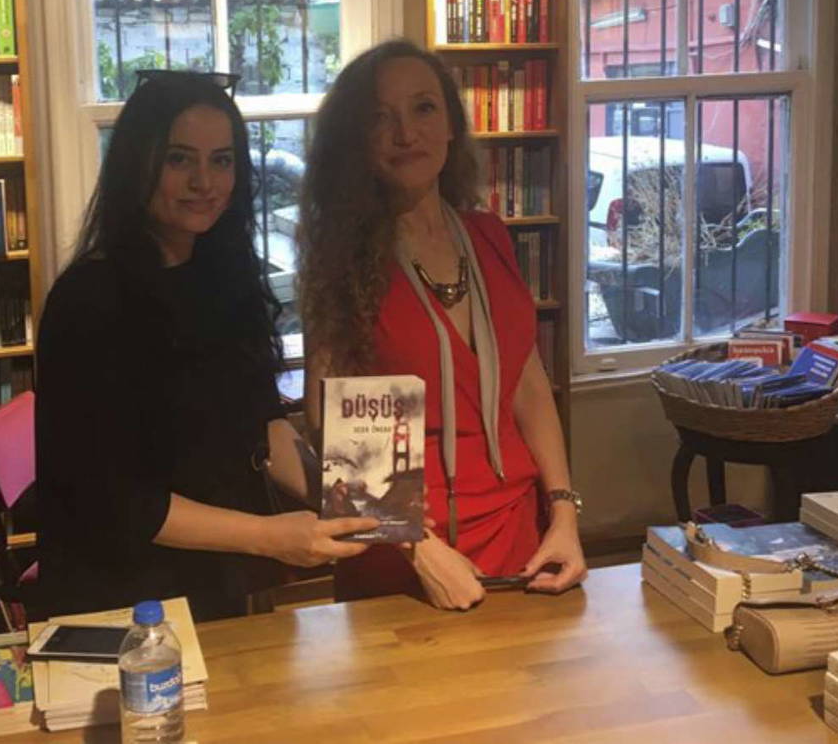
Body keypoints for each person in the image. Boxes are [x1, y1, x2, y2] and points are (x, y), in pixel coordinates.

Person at [34, 72, 378, 622]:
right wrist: (270, 536)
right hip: (121, 601)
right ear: (137, 163)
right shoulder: (90, 301)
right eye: (179, 159)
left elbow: (261, 423)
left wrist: (346, 497)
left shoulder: (224, 276)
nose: (204, 182)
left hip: (219, 581)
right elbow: (120, 501)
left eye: (221, 160)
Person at [297, 40, 587, 611]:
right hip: (404, 552)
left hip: (522, 538)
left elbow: (527, 385)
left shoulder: (489, 235)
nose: (406, 133)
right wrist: (419, 548)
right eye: (380, 117)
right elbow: (327, 417)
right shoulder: (341, 259)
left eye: (424, 108)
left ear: (452, 124)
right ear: (357, 140)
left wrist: (564, 512)